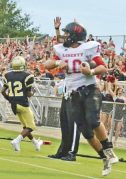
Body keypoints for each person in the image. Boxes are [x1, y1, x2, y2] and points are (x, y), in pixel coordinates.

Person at [44, 21, 118, 176]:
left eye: (67, 33)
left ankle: (108, 149)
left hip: (89, 90)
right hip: (72, 94)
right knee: (86, 132)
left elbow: (103, 67)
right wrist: (58, 62)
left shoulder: (88, 48)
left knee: (93, 120)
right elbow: (47, 64)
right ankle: (104, 157)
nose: (65, 36)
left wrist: (90, 71)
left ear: (75, 35)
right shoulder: (62, 49)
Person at [47, 17, 81, 162]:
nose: (65, 36)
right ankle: (63, 150)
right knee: (65, 122)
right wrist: (57, 30)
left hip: (78, 88)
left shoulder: (81, 49)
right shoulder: (68, 48)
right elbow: (62, 43)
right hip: (68, 87)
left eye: (68, 33)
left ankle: (72, 152)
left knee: (73, 123)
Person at [1, 56, 43, 152]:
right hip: (23, 104)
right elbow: (28, 94)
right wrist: (33, 92)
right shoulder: (27, 75)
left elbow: (3, 91)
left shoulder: (7, 75)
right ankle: (16, 140)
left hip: (13, 104)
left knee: (26, 127)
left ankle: (36, 143)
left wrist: (9, 99)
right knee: (31, 126)